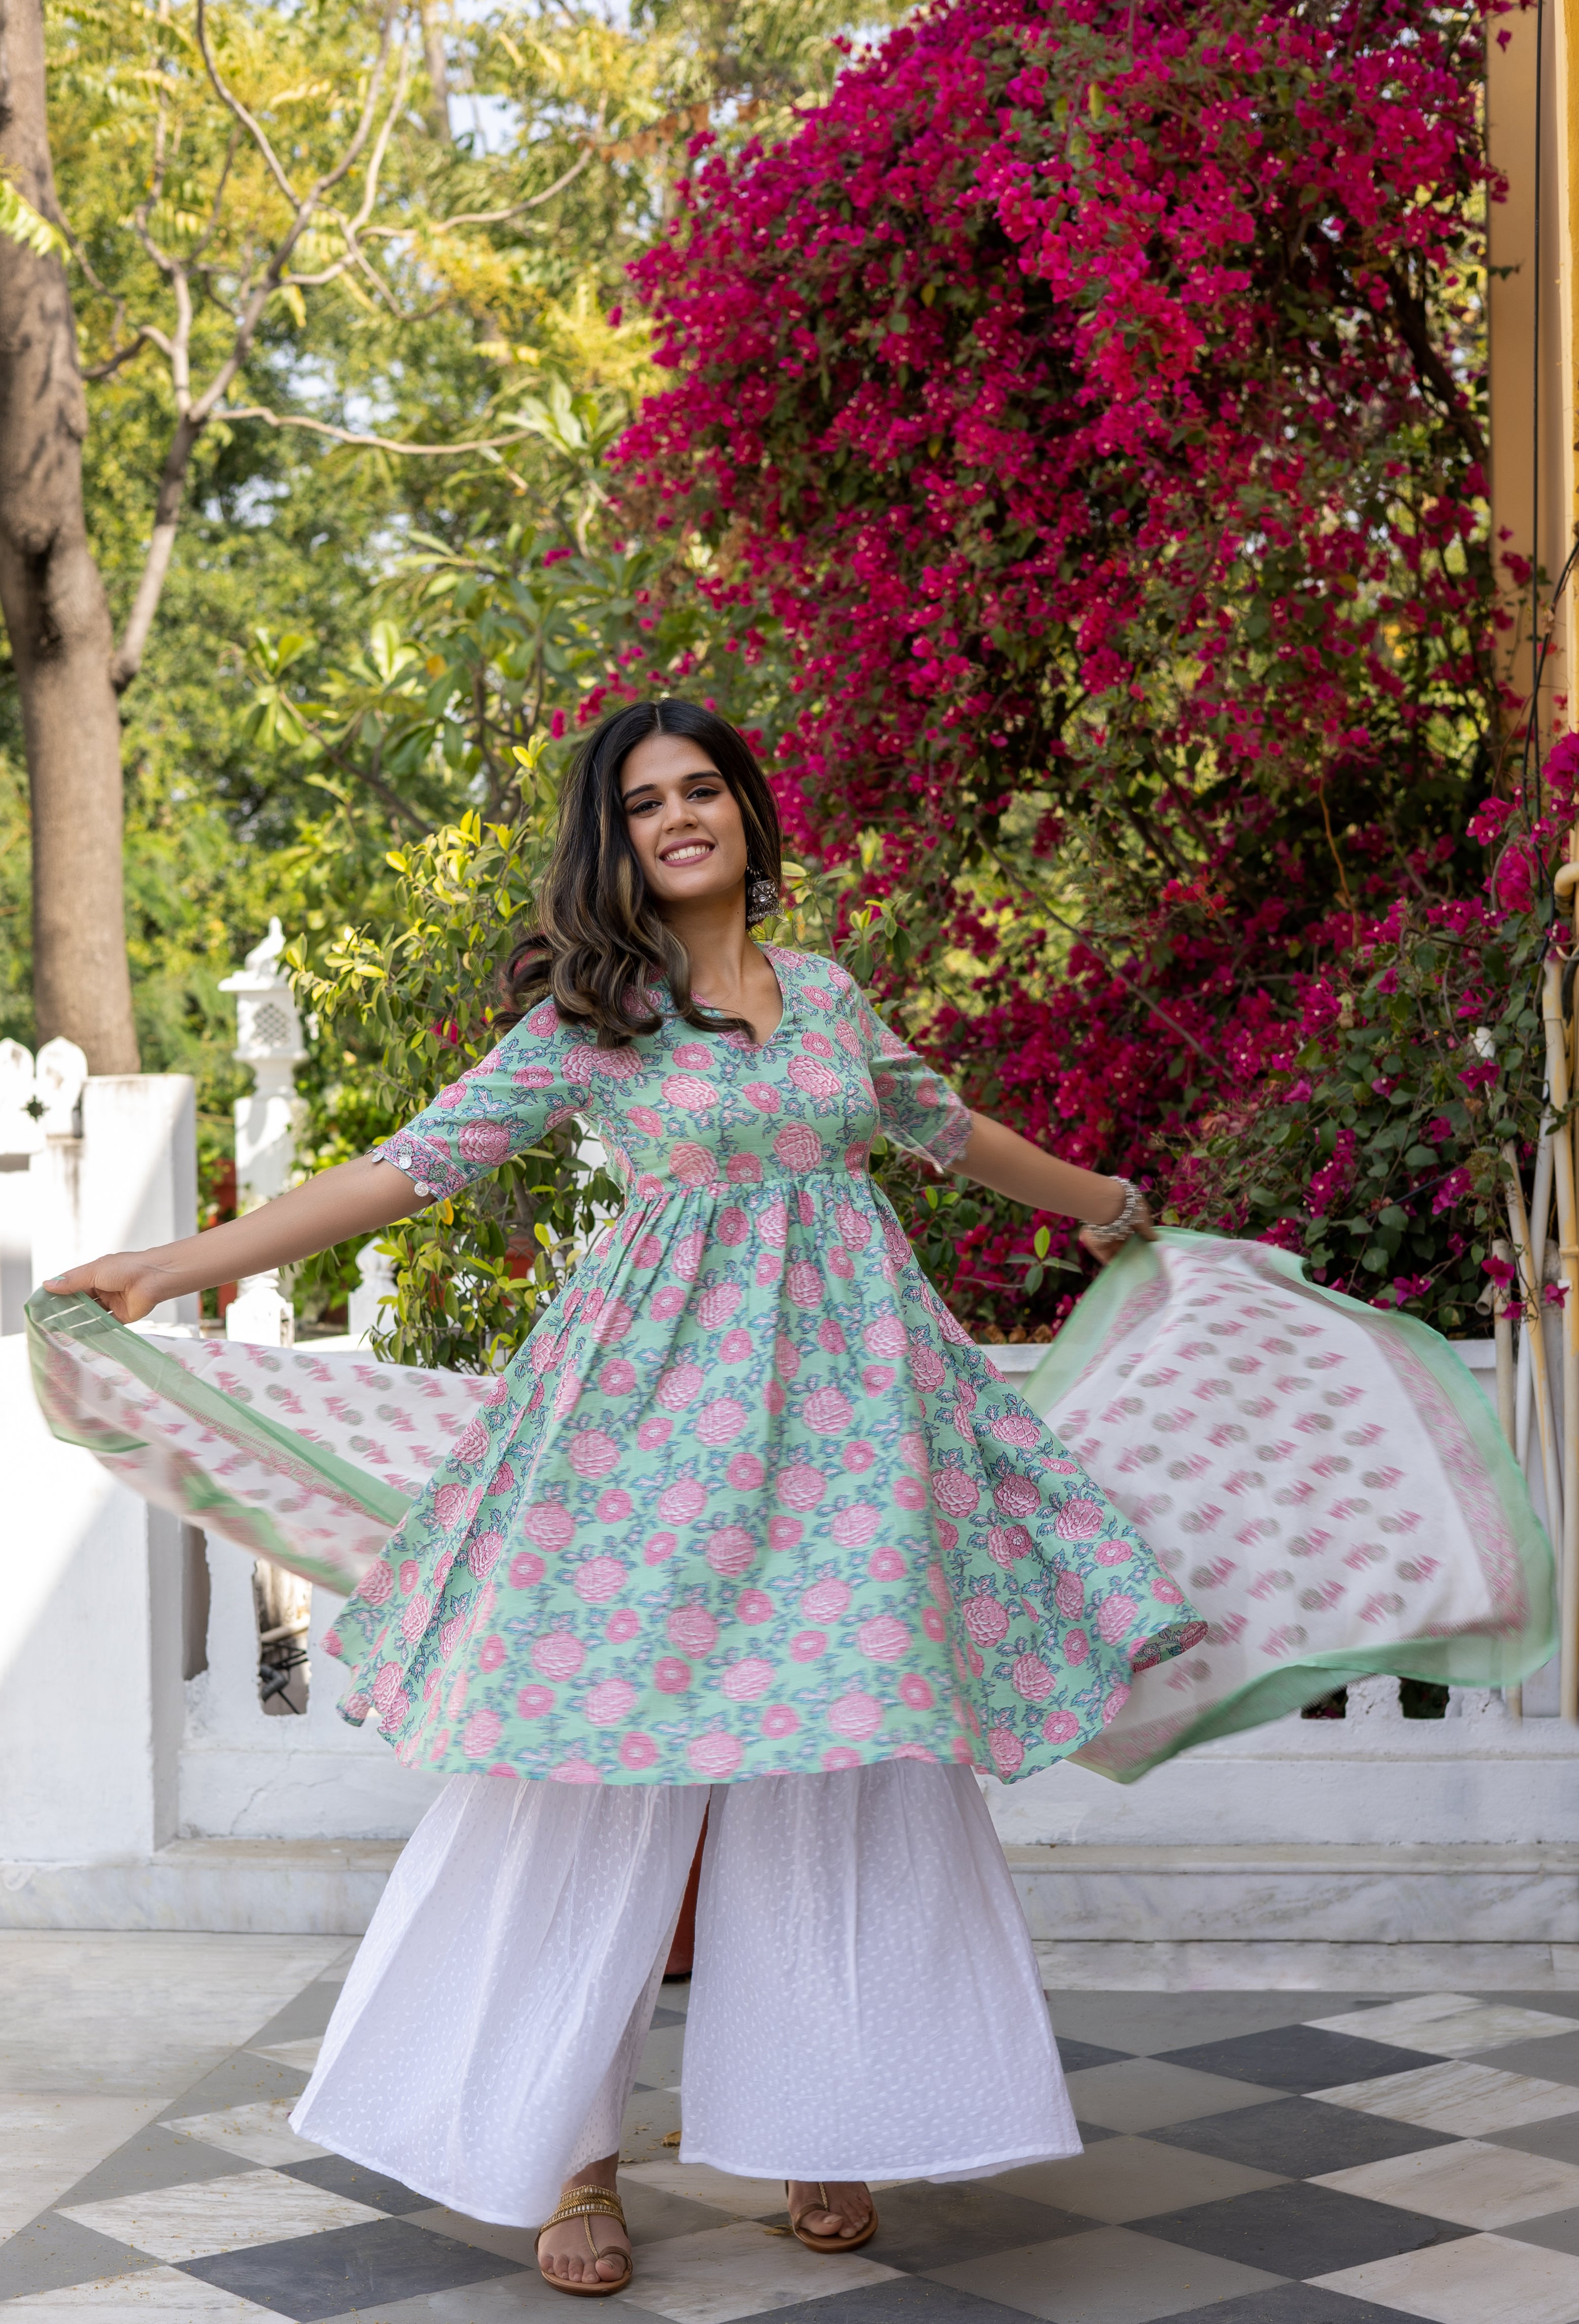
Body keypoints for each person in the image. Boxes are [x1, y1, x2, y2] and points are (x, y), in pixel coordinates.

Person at [44, 699, 1210, 2292]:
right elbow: (410, 1167)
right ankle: (566, 2150)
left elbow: (946, 1130)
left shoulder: (826, 1000)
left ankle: (826, 2111)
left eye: (701, 788)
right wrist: (174, 1266)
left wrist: (1108, 1208)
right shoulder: (598, 1021)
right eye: (645, 799)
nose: (677, 816)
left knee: (845, 1749)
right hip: (647, 1436)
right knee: (596, 1759)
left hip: (849, 1436)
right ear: (618, 839)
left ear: (744, 812)